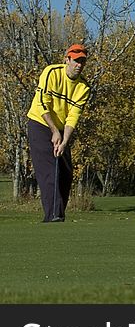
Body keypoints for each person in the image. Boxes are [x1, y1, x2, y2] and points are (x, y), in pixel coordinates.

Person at [26, 43, 91, 222]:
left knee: (66, 172)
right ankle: (53, 216)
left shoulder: (83, 87)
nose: (79, 65)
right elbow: (42, 103)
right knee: (48, 170)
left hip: (62, 130)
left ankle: (58, 215)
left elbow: (73, 116)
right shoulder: (52, 72)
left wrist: (64, 141)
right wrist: (54, 131)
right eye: (76, 60)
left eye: (82, 61)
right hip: (40, 123)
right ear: (67, 59)